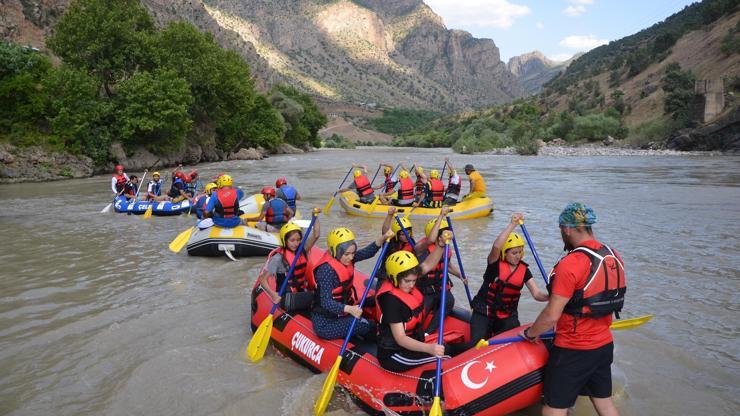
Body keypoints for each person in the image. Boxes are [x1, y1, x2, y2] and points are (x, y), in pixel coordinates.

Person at [520, 203, 626, 416]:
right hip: (604, 345)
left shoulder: (571, 263)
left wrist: (531, 334)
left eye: (561, 231)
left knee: (553, 408)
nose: (562, 236)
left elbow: (551, 315)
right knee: (604, 403)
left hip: (573, 348)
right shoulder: (612, 255)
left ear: (567, 228)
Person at [459, 213, 548, 351]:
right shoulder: (494, 264)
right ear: (504, 253)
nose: (518, 256)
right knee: (476, 343)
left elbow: (536, 294)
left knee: (512, 330)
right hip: (484, 311)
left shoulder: (524, 270)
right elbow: (496, 246)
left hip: (507, 314)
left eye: (520, 252)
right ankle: (451, 351)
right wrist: (512, 224)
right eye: (514, 253)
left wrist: (552, 296)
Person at [376, 240, 460, 372]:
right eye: (407, 281)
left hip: (411, 345)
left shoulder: (406, 277)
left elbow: (428, 264)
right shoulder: (390, 300)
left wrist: (441, 245)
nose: (411, 285)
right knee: (446, 355)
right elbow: (401, 338)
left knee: (449, 349)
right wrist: (429, 348)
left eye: (414, 280)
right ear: (393, 278)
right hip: (394, 354)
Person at [311, 227, 394, 340]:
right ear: (333, 251)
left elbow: (367, 252)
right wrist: (350, 309)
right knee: (367, 325)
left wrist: (384, 238)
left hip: (345, 309)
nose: (351, 257)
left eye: (353, 253)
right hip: (326, 320)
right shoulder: (326, 270)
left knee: (376, 301)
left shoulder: (347, 258)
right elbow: (326, 302)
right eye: (347, 254)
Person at [414, 208, 463, 334]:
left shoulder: (447, 248)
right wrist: (441, 216)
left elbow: (448, 266)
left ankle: (429, 332)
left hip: (440, 286)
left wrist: (460, 275)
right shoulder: (421, 248)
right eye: (442, 233)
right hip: (426, 289)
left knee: (449, 301)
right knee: (422, 311)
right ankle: (415, 333)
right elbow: (430, 240)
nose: (446, 235)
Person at [259, 215, 321, 305]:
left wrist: (315, 217)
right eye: (292, 240)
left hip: (301, 291)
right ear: (285, 240)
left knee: (320, 293)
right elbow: (262, 279)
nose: (295, 244)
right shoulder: (278, 258)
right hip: (286, 297)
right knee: (317, 297)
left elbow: (316, 235)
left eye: (298, 240)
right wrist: (273, 295)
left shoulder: (302, 250)